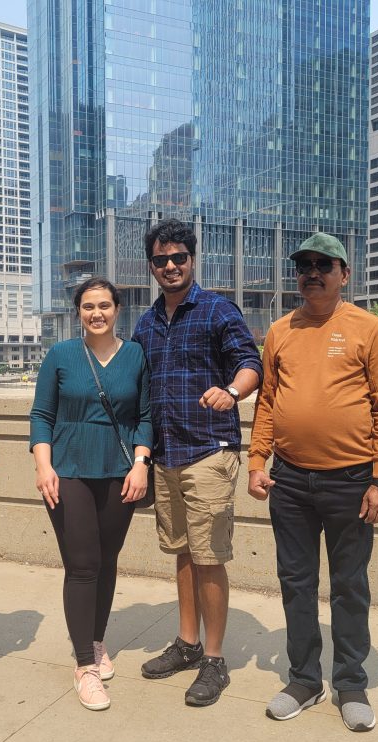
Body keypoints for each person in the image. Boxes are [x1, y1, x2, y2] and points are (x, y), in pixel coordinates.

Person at [247, 232, 378, 731]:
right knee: (296, 584)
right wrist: (256, 462)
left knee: (349, 587)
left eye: (324, 265)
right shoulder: (279, 330)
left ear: (344, 274)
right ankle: (305, 679)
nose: (312, 272)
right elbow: (267, 401)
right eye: (304, 265)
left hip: (352, 482)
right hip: (289, 482)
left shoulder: (369, 328)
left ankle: (350, 683)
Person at [132, 218, 262, 707]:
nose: (170, 266)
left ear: (192, 259)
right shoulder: (146, 323)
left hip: (209, 451)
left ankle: (213, 657)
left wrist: (231, 392)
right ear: (152, 266)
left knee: (209, 558)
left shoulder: (216, 310)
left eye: (179, 258)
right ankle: (186, 643)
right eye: (162, 260)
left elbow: (252, 364)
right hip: (166, 455)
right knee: (183, 553)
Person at [29, 277, 153, 711]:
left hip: (121, 474)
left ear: (118, 309)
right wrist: (44, 466)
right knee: (82, 566)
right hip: (69, 472)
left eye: (104, 305)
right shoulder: (61, 355)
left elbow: (145, 416)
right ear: (77, 312)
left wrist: (141, 464)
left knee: (106, 561)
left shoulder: (136, 355)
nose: (96, 313)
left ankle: (96, 641)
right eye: (87, 306)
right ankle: (84, 666)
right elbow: (42, 414)